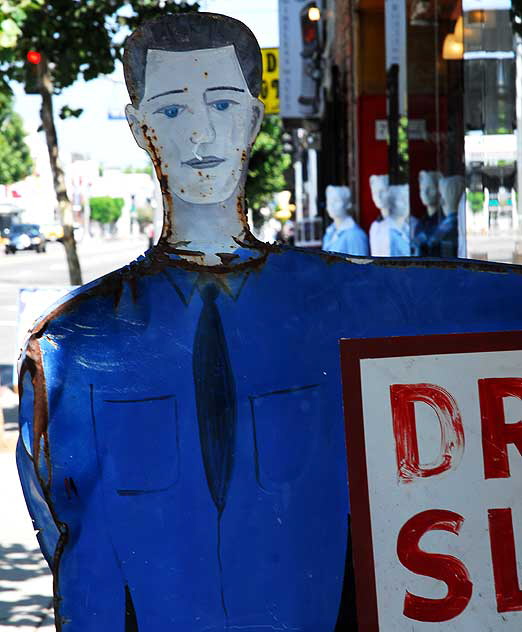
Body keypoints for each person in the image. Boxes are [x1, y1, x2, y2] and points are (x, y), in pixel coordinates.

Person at [17, 12, 522, 632]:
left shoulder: (347, 299)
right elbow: (71, 538)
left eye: (223, 104)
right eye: (172, 112)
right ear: (139, 128)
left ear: (254, 119)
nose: (201, 134)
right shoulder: (73, 346)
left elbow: (485, 311)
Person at [322, 185, 369, 256]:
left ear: (348, 204)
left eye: (336, 200)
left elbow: (360, 265)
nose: (331, 205)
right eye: (329, 200)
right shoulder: (329, 233)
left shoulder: (355, 235)